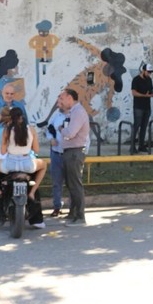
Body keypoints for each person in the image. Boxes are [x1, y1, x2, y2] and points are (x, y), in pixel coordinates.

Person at [0, 107, 47, 229]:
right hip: (27, 164)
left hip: (10, 165)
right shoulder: (31, 129)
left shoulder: (6, 130)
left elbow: (3, 151)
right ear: (22, 117)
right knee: (43, 165)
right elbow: (36, 150)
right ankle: (32, 192)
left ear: (10, 118)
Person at [57, 88, 90, 225]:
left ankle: (80, 216)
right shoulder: (72, 112)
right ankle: (73, 213)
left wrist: (61, 129)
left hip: (75, 152)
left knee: (75, 184)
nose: (60, 101)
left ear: (70, 98)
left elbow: (70, 133)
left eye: (62, 98)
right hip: (70, 152)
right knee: (71, 184)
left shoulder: (78, 112)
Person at [46, 90, 70, 217]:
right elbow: (49, 129)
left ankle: (74, 208)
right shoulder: (56, 115)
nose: (57, 103)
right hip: (56, 153)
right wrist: (51, 139)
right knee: (56, 182)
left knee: (72, 183)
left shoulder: (75, 114)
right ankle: (57, 206)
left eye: (60, 100)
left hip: (70, 154)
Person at [130, 63, 153, 154]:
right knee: (136, 126)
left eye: (150, 72)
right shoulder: (136, 80)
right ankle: (132, 146)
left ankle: (141, 146)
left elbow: (150, 90)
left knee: (144, 127)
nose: (149, 74)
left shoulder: (149, 80)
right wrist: (145, 96)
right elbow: (134, 93)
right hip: (138, 107)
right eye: (148, 72)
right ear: (143, 71)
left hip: (147, 107)